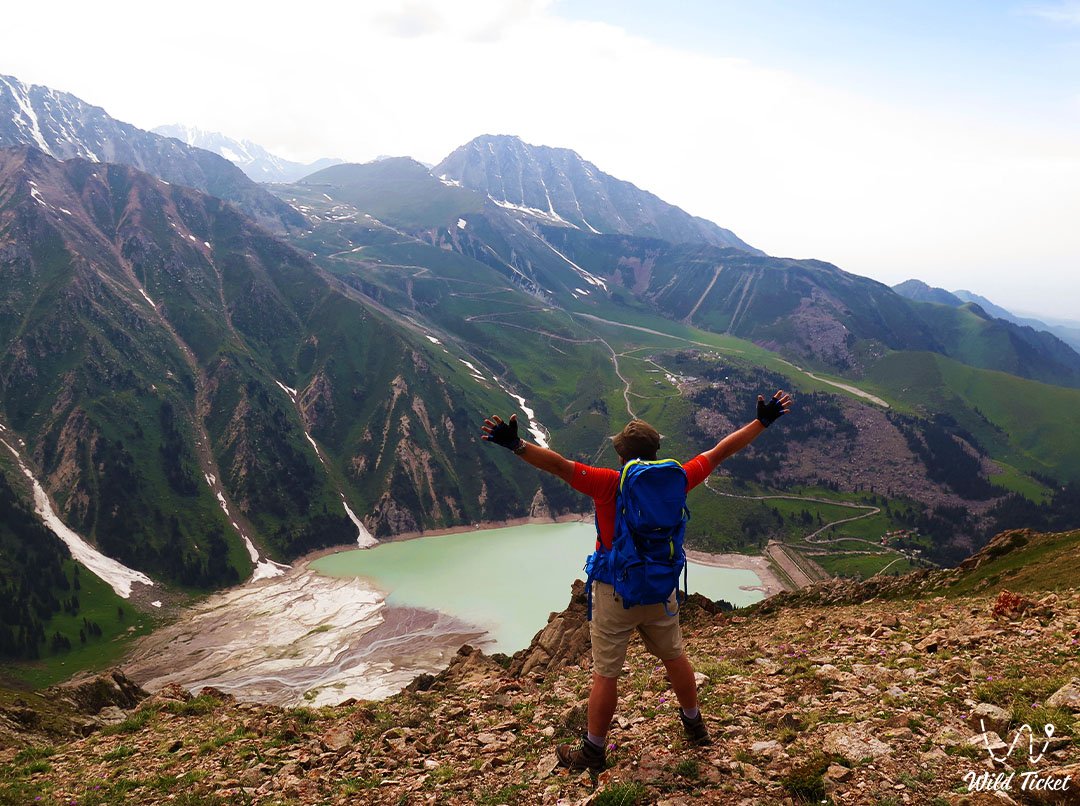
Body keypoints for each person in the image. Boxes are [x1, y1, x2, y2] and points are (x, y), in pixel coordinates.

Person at [481, 390, 793, 772]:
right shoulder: (677, 478)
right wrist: (762, 421)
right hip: (660, 588)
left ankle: (594, 750)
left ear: (620, 453)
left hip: (615, 590)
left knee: (606, 673)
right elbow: (720, 452)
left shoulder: (607, 483)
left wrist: (515, 444)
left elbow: (560, 466)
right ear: (656, 451)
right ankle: (695, 726)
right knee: (675, 656)